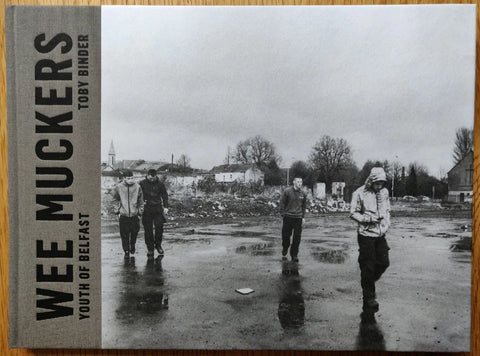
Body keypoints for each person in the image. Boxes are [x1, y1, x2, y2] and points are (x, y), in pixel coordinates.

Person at [350, 167, 391, 312]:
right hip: (366, 234)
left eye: (382, 183)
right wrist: (367, 219)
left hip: (380, 234)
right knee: (368, 266)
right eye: (377, 183)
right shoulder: (359, 193)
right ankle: (369, 297)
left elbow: (387, 210)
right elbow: (353, 213)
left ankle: (367, 282)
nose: (379, 186)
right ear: (371, 181)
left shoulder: (384, 193)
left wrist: (387, 223)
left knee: (384, 262)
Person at [112, 170, 144, 258]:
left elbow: (141, 201)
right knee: (124, 233)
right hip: (123, 214)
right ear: (124, 178)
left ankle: (132, 245)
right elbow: (115, 200)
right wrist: (117, 211)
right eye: (128, 178)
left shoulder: (138, 187)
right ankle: (126, 250)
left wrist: (140, 212)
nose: (131, 180)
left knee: (134, 232)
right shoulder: (119, 187)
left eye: (132, 178)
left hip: (134, 214)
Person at [140, 169, 169, 258]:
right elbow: (138, 195)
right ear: (147, 175)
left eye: (154, 177)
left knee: (159, 227)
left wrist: (166, 207)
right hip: (147, 209)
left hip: (157, 209)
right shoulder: (142, 183)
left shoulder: (160, 184)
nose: (152, 178)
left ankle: (158, 245)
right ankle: (150, 248)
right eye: (150, 177)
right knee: (148, 229)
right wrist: (140, 204)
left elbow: (164, 195)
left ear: (156, 176)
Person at [279, 176, 307, 262]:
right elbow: (282, 203)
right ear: (294, 182)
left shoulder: (303, 193)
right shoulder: (287, 191)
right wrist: (283, 214)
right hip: (288, 217)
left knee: (297, 237)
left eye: (301, 182)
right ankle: (285, 247)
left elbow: (304, 206)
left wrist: (303, 217)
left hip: (298, 218)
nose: (300, 183)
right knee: (286, 236)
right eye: (298, 182)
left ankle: (294, 254)